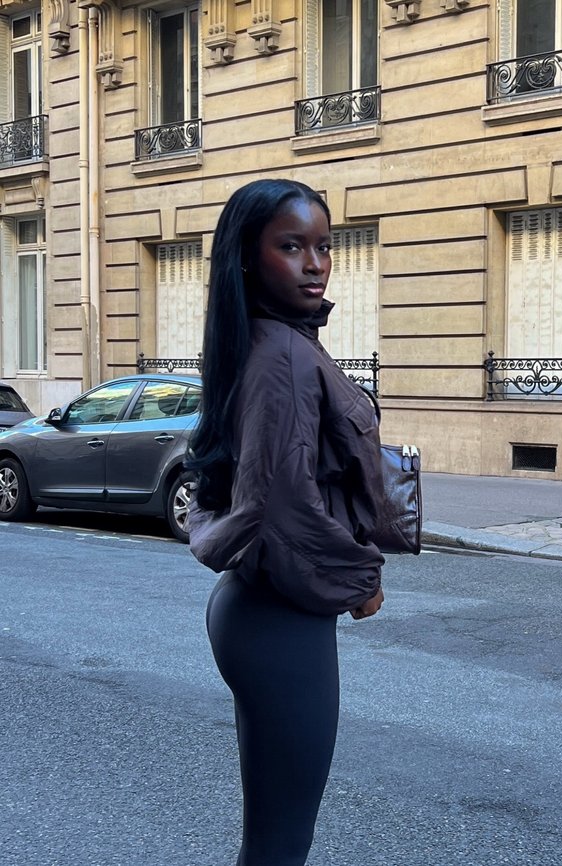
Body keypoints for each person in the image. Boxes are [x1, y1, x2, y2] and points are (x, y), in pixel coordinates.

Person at [186, 178, 385, 866]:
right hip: (281, 622)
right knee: (279, 846)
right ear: (248, 256)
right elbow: (279, 506)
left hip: (256, 610)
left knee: (270, 839)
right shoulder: (287, 355)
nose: (315, 263)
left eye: (325, 246)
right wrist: (361, 578)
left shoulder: (267, 340)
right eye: (291, 245)